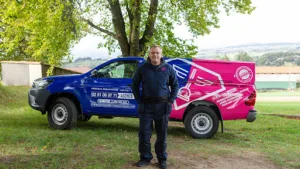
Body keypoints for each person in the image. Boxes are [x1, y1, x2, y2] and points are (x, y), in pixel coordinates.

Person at [131, 44, 179, 169]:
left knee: (162, 134)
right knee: (144, 134)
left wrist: (170, 102)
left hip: (162, 106)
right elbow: (134, 84)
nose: (155, 55)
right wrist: (139, 100)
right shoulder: (143, 68)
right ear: (149, 54)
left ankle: (162, 159)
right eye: (153, 53)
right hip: (146, 106)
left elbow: (175, 86)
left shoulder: (168, 69)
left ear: (161, 54)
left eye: (157, 52)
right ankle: (145, 157)